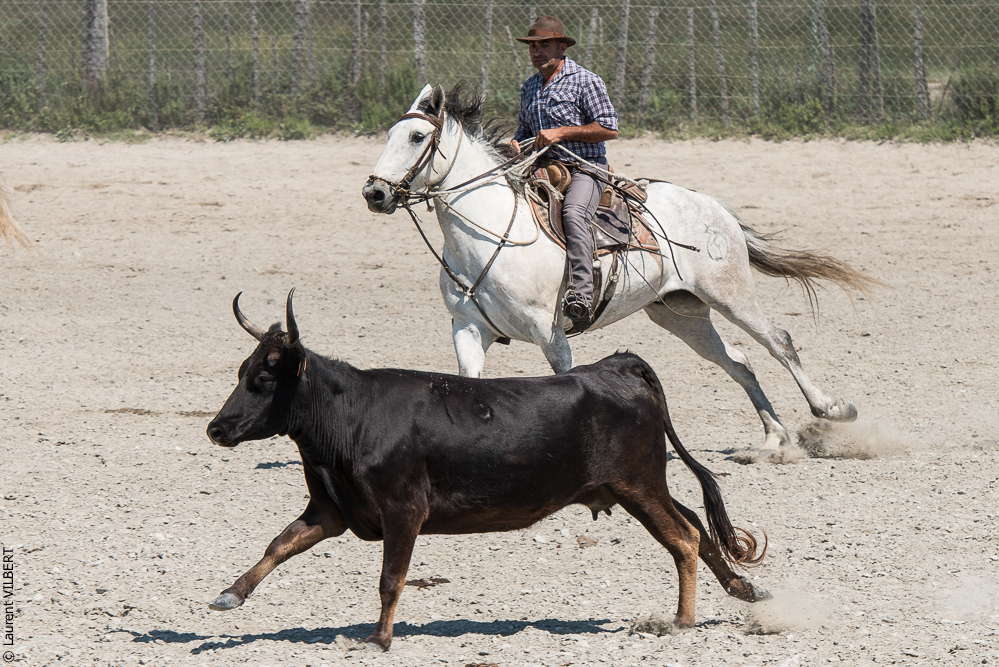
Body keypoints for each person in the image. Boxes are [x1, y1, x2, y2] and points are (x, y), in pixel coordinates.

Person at [510, 16, 618, 324]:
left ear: (562, 47)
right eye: (532, 46)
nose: (537, 52)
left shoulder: (586, 80)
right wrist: (516, 143)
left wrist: (561, 132)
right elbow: (524, 130)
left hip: (585, 168)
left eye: (544, 45)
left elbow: (608, 128)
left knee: (573, 213)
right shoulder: (529, 87)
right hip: (542, 168)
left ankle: (581, 293)